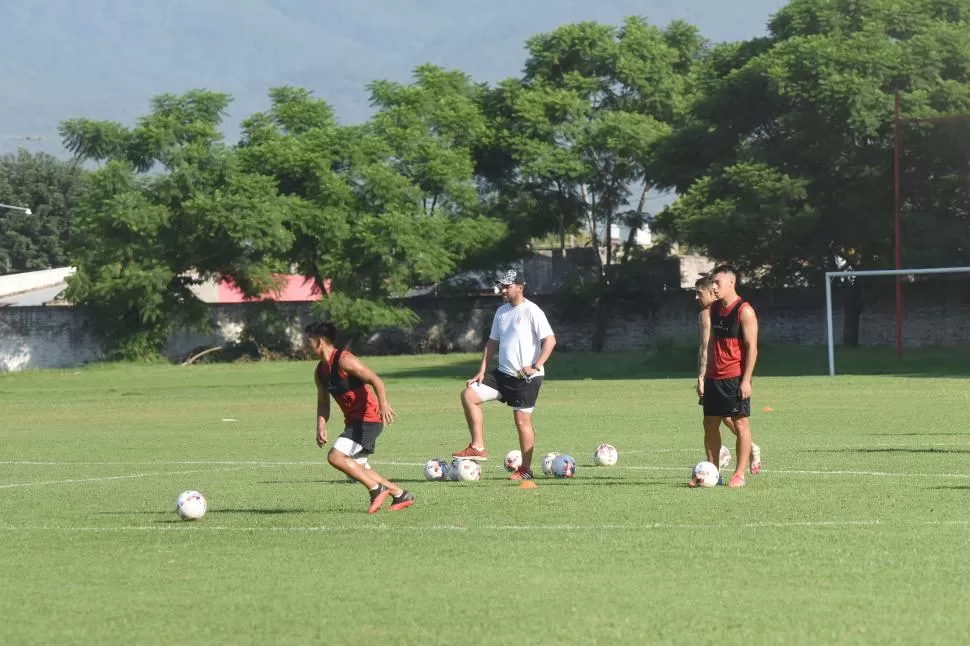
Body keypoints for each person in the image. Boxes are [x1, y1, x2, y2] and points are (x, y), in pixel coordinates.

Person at [452, 269, 556, 480]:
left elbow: (550, 340)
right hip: (502, 375)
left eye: (508, 286)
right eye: (503, 286)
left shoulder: (532, 311)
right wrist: (481, 371)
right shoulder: (501, 312)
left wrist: (535, 366)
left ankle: (525, 470)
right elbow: (492, 343)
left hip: (526, 378)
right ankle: (478, 447)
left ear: (520, 287)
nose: (503, 290)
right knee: (469, 395)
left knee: (522, 422)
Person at [306, 321, 414, 513]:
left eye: (308, 340)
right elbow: (323, 402)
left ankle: (376, 490)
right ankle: (400, 494)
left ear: (319, 341)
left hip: (368, 419)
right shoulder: (320, 372)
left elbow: (375, 380)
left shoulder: (344, 360)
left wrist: (383, 404)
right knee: (359, 468)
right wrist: (321, 426)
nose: (305, 344)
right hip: (354, 422)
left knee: (335, 457)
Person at [693, 266, 761, 488]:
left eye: (718, 283)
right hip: (714, 378)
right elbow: (709, 344)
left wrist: (746, 380)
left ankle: (739, 474)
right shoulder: (713, 309)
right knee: (710, 424)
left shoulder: (744, 311)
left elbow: (752, 348)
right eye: (712, 283)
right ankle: (713, 473)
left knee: (740, 425)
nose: (714, 287)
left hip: (734, 377)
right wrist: (703, 375)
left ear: (731, 283)